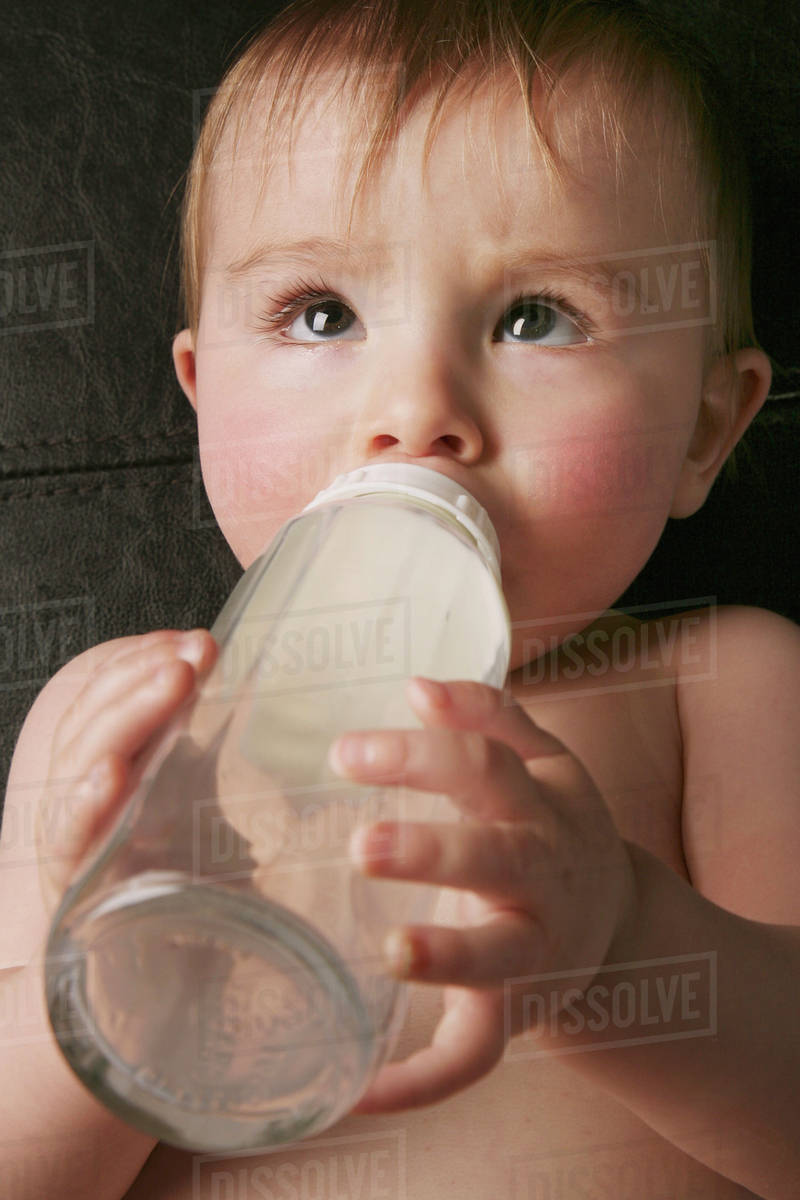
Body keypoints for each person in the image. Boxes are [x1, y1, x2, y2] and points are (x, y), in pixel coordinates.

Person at [2, 0, 798, 1196]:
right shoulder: (117, 720)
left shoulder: (716, 688)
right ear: (200, 390)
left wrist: (616, 943)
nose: (414, 406)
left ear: (701, 430)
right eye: (318, 314)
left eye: (536, 317)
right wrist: (107, 977)